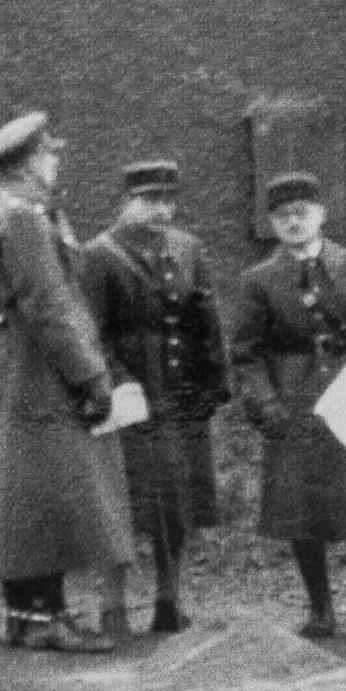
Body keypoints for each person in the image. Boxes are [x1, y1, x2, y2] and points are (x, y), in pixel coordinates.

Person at [0, 111, 135, 653]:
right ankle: (44, 617)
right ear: (32, 161)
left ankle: (25, 613)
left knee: (21, 489)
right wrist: (89, 375)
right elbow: (49, 306)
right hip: (39, 367)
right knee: (46, 491)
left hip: (11, 364)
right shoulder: (22, 218)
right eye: (51, 155)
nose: (56, 164)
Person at [231, 173, 346, 640]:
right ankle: (320, 608)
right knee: (301, 508)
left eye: (302, 212)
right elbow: (246, 354)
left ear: (321, 216)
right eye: (283, 216)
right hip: (295, 399)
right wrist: (266, 405)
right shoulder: (259, 280)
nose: (293, 222)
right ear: (272, 223)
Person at [77, 160, 227, 636]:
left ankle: (169, 597)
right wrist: (117, 382)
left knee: (177, 501)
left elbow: (206, 317)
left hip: (180, 392)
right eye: (148, 200)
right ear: (127, 202)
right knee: (122, 500)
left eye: (167, 200)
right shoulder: (100, 254)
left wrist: (213, 382)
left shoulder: (187, 248)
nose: (160, 209)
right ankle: (113, 604)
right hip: (128, 393)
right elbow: (90, 331)